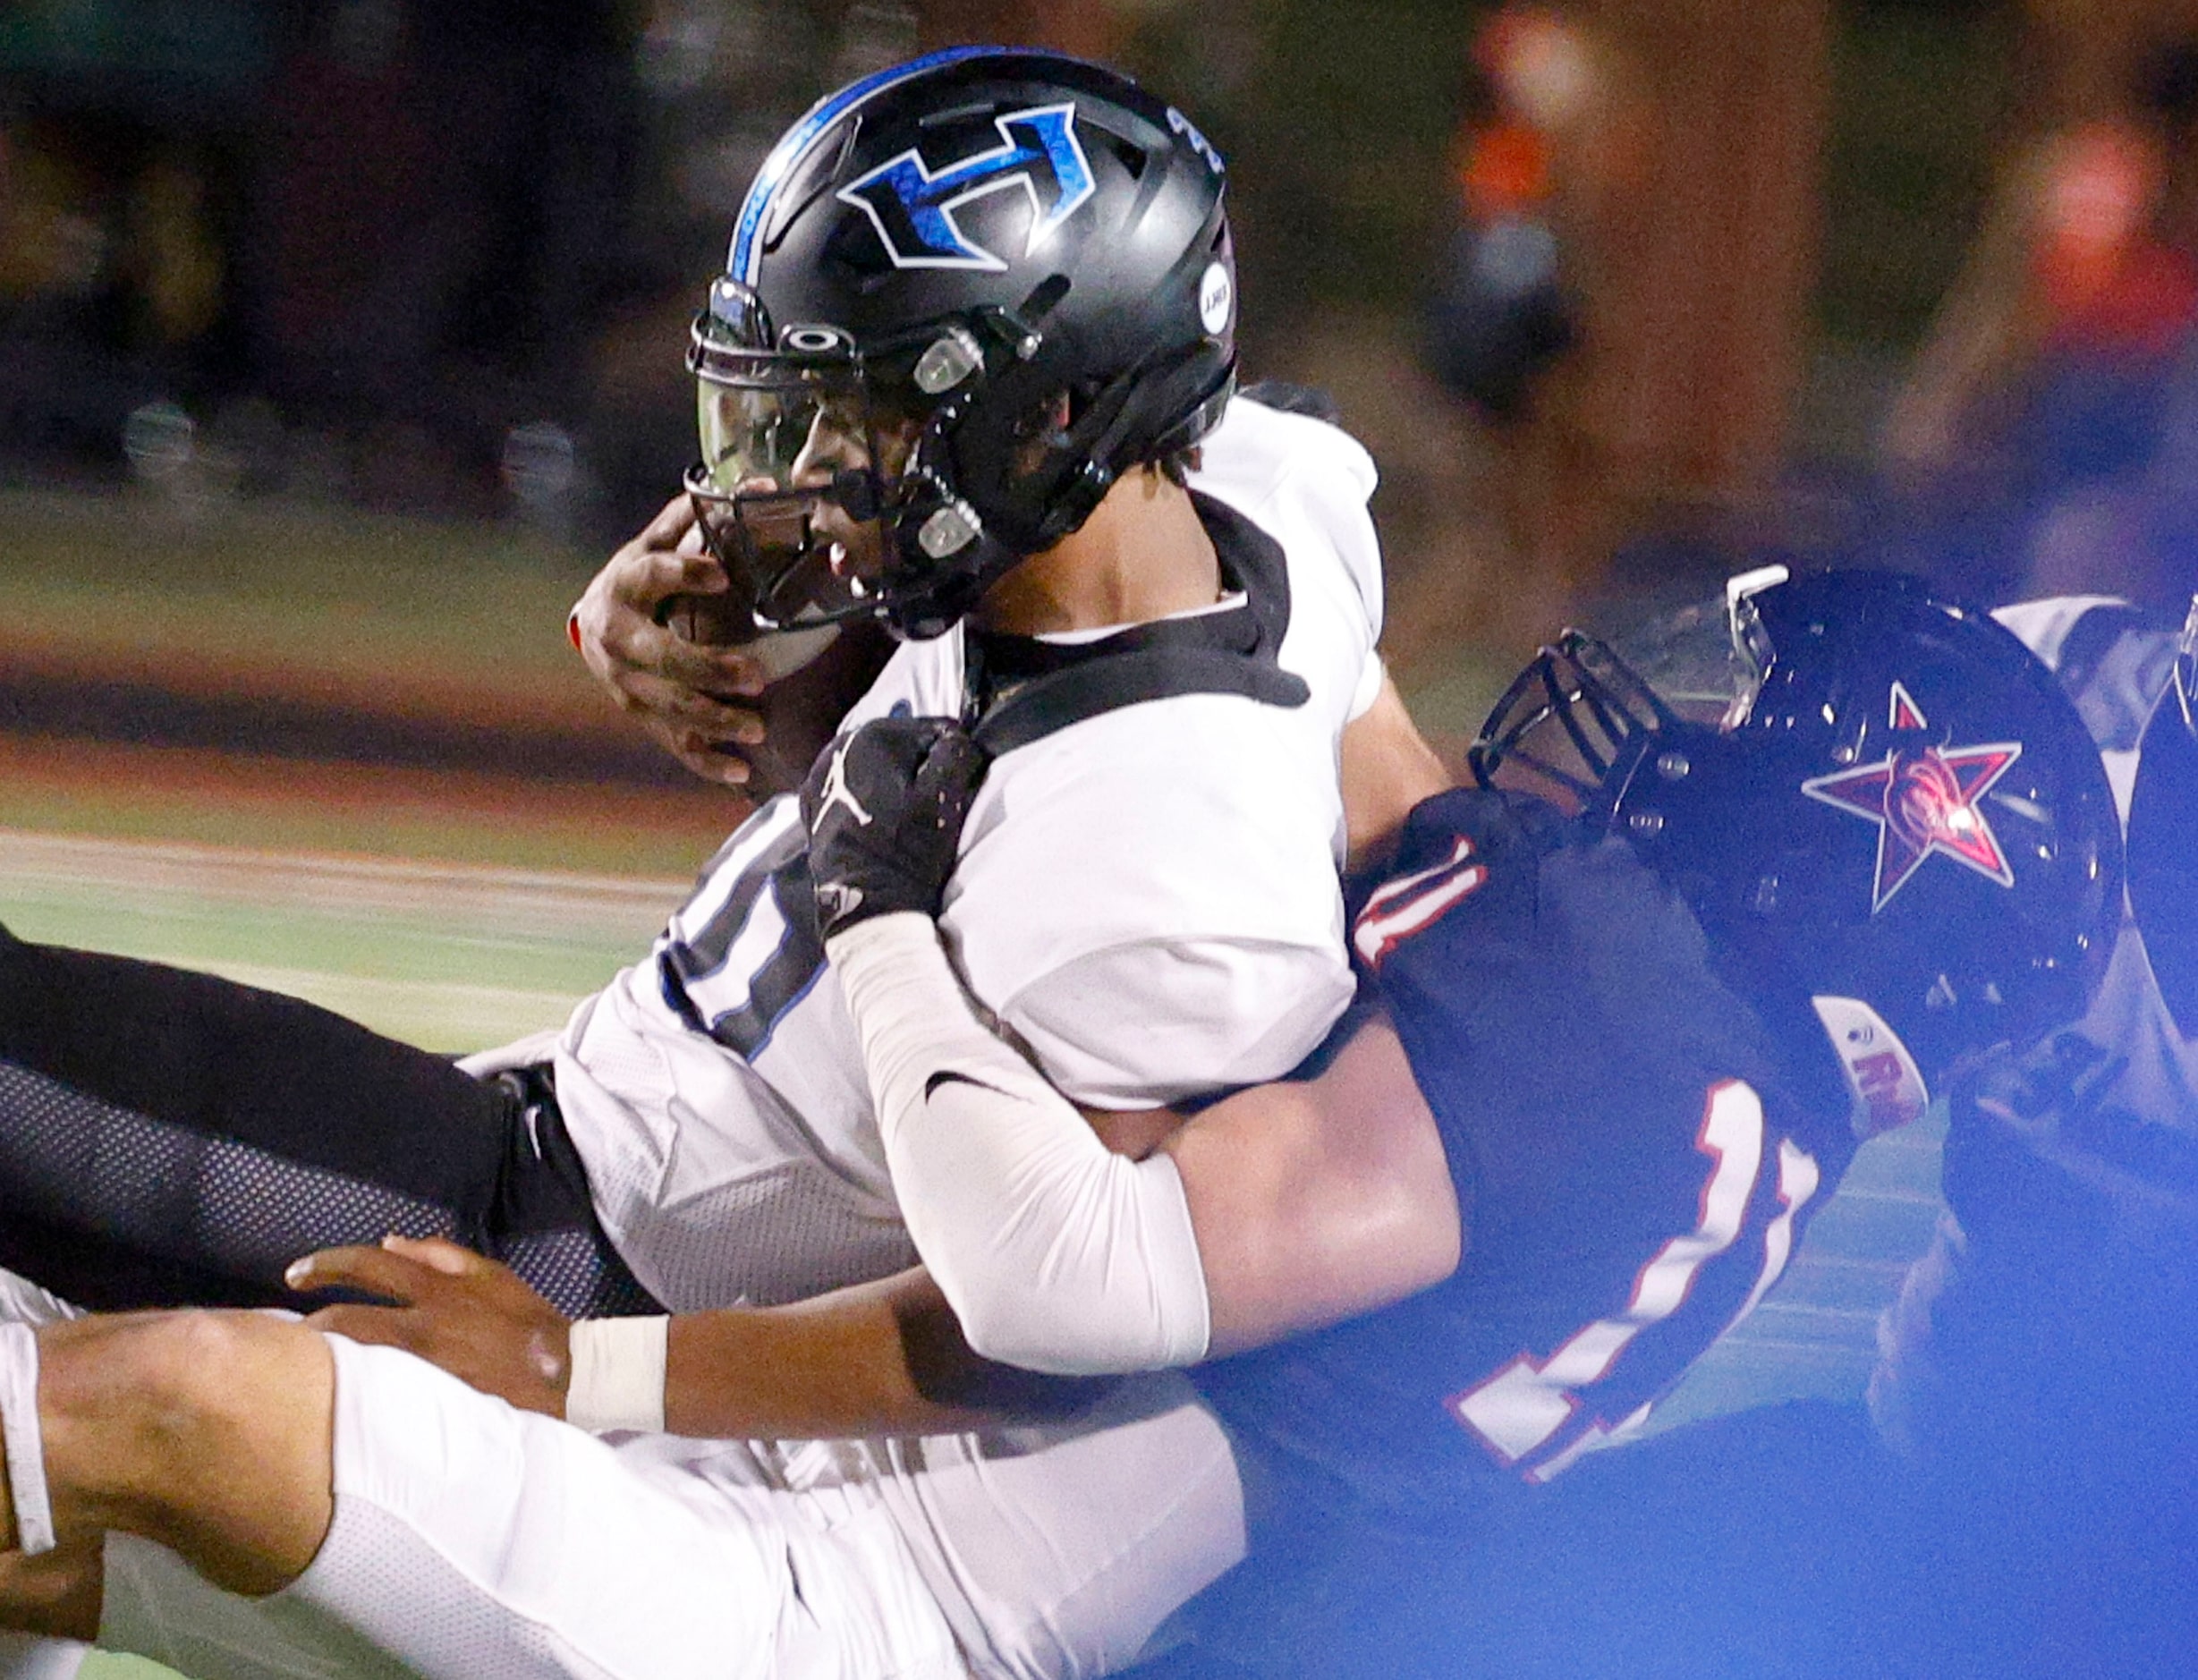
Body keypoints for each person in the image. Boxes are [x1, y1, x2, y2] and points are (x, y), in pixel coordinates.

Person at [0, 567, 2112, 1679]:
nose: (1653, 709)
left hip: (870, 1623)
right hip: (868, 1528)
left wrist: (877, 923)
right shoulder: (1705, 1088)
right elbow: (1344, 682)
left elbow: (1080, 1280)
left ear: (1806, 855)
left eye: (1734, 717)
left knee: (194, 1407)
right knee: (58, 1462)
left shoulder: (1622, 1045)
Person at [0, 43, 1434, 1678]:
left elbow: (1048, 1320)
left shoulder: (1166, 869)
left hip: (577, 1244)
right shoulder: (1242, 490)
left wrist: (579, 1376)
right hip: (560, 1132)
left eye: (866, 411)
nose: (810, 469)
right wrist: (754, 657)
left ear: (1048, 412)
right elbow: (945, 758)